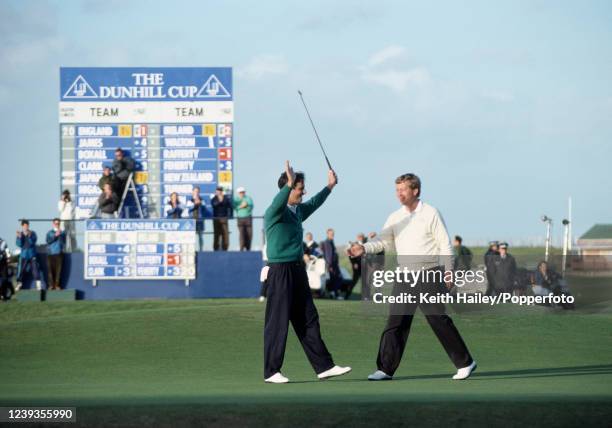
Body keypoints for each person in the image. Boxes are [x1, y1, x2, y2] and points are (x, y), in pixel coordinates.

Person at [349, 173, 476, 381]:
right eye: (396, 190)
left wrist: (448, 270)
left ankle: (466, 363)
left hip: (429, 274)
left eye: (403, 189)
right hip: (405, 277)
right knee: (396, 322)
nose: (399, 194)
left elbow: (445, 244)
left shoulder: (431, 213)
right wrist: (363, 248)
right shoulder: (395, 217)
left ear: (415, 190)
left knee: (437, 320)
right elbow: (383, 242)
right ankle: (385, 369)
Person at [262, 160, 351, 383]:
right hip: (279, 271)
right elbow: (276, 203)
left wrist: (330, 187)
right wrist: (288, 184)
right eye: (300, 188)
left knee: (308, 318)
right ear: (289, 189)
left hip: (297, 271)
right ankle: (272, 372)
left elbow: (314, 203)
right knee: (278, 322)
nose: (304, 191)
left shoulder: (297, 211)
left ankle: (324, 367)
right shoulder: (275, 212)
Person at [15, 220, 42, 291]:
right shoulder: (20, 234)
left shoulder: (33, 233)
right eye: (24, 226)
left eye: (27, 225)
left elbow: (33, 242)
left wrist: (29, 236)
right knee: (21, 270)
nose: (26, 227)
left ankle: (38, 285)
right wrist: (19, 237)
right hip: (24, 255)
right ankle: (19, 284)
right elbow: (19, 244)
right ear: (22, 226)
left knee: (35, 270)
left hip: (32, 255)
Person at [320, 228, 343, 299]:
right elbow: (328, 254)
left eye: (333, 234)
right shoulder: (327, 242)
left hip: (334, 264)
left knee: (335, 279)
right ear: (327, 234)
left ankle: (333, 292)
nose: (333, 235)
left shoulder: (331, 241)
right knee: (337, 278)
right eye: (331, 234)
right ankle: (335, 294)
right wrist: (329, 265)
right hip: (331, 264)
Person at [46, 218, 66, 290]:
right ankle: (51, 285)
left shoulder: (63, 233)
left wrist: (60, 235)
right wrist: (55, 235)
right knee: (50, 271)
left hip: (59, 253)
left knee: (59, 271)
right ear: (53, 224)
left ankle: (57, 285)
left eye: (58, 223)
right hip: (51, 254)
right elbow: (48, 241)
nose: (57, 225)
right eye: (56, 223)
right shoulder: (49, 232)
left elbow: (64, 242)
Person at [211, 186, 232, 251]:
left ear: (222, 191)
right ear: (216, 192)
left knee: (225, 233)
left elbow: (230, 206)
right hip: (216, 218)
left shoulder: (226, 198)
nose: (219, 192)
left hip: (224, 218)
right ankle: (216, 248)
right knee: (216, 234)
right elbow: (214, 205)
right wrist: (220, 201)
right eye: (218, 190)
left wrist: (229, 215)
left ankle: (225, 247)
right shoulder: (214, 198)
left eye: (220, 190)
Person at [346, 233, 367, 299]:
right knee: (354, 282)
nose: (360, 238)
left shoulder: (366, 244)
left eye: (361, 237)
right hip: (357, 267)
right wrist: (354, 263)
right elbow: (350, 254)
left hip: (364, 266)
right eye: (359, 237)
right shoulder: (353, 244)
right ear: (357, 237)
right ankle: (347, 295)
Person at [233, 186, 254, 251]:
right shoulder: (235, 199)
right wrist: (241, 206)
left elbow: (251, 206)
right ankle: (241, 248)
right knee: (241, 234)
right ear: (238, 193)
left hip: (248, 217)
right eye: (240, 192)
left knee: (249, 233)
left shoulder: (248, 198)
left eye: (243, 192)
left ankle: (248, 248)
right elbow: (234, 207)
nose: (242, 193)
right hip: (240, 218)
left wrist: (246, 205)